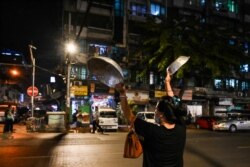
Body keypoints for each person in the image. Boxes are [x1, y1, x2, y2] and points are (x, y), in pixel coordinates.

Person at [116, 70, 186, 167]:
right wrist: (167, 82)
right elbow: (172, 104)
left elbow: (129, 115)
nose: (155, 112)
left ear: (161, 114)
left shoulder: (152, 131)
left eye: (156, 109)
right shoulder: (181, 128)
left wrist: (122, 93)